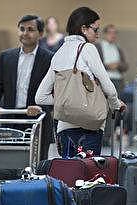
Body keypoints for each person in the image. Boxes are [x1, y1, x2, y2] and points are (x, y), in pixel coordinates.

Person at [35, 6, 126, 157]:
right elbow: (108, 87)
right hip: (90, 125)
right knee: (89, 175)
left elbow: (40, 97)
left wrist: (67, 100)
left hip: (64, 128)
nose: (98, 34)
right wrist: (116, 104)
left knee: (70, 173)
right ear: (83, 28)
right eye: (95, 30)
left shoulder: (58, 53)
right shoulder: (88, 48)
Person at [0, 15, 54, 159]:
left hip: (37, 120)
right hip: (10, 119)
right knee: (9, 163)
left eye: (30, 29)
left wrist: (40, 106)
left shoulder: (50, 59)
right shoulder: (6, 57)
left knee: (37, 166)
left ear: (41, 34)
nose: (25, 33)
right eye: (22, 29)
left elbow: (55, 91)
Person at [95, 24, 129, 94]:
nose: (113, 35)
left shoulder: (118, 48)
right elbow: (94, 65)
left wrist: (118, 65)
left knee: (118, 103)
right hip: (104, 79)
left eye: (114, 33)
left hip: (118, 80)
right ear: (105, 34)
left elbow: (125, 65)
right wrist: (108, 66)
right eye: (110, 32)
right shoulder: (98, 47)